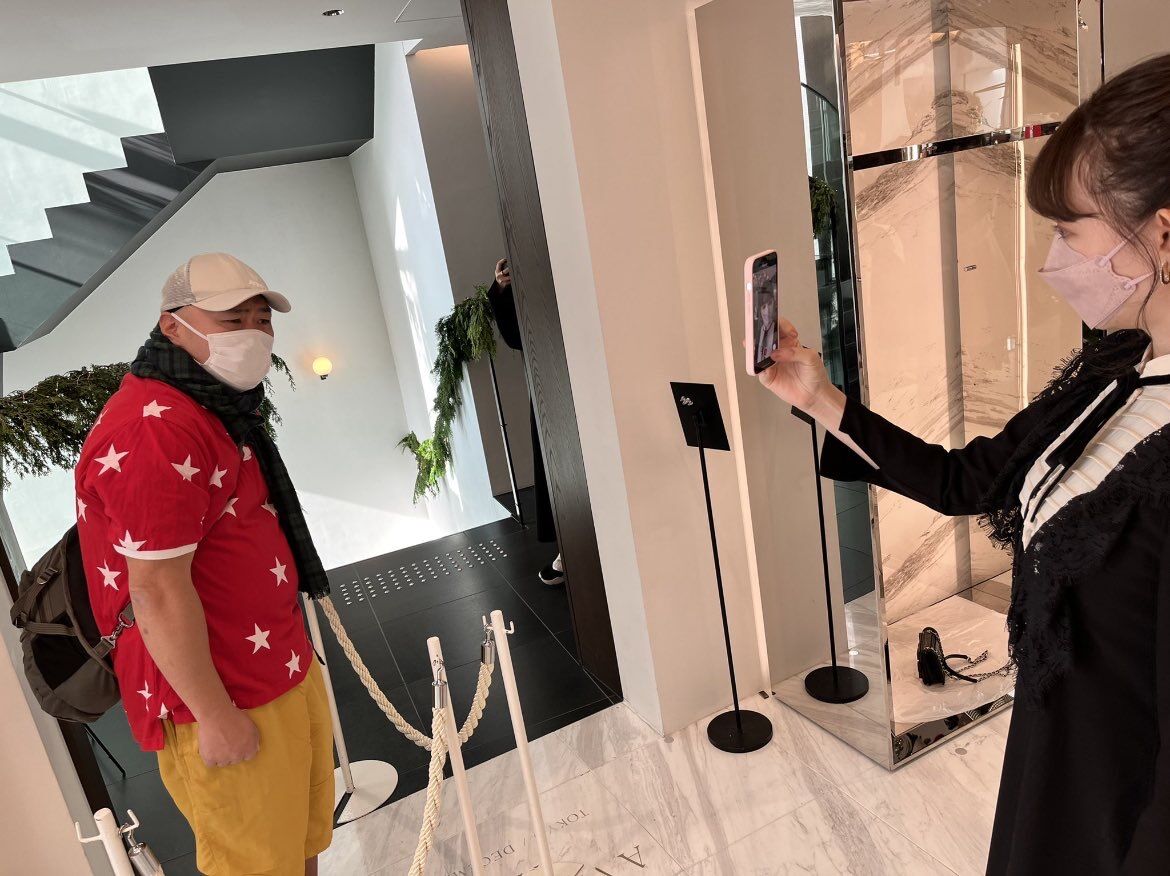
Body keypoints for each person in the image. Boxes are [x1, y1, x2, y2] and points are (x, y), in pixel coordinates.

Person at [760, 54, 1170, 875]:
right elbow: (967, 480)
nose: (1054, 258)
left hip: (1118, 820)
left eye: (1069, 230)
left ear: (1163, 232)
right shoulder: (1117, 368)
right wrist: (819, 397)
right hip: (1051, 768)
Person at [74, 253, 334, 876]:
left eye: (261, 320)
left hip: (274, 664)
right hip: (224, 695)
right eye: (231, 319)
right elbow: (157, 589)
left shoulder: (214, 407)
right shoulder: (154, 427)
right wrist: (216, 717)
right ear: (172, 325)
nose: (253, 334)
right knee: (258, 864)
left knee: (299, 843)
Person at [489, 257, 564, 585]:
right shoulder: (532, 273)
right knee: (556, 470)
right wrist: (501, 290)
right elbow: (518, 336)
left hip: (577, 374)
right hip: (551, 382)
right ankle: (571, 549)